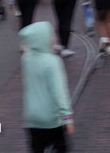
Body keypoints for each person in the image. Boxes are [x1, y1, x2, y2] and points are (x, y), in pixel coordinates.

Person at [19, 22, 74, 153]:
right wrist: (67, 117)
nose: (54, 38)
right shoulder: (52, 62)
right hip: (52, 118)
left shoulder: (26, 59)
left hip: (32, 118)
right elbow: (59, 92)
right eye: (51, 35)